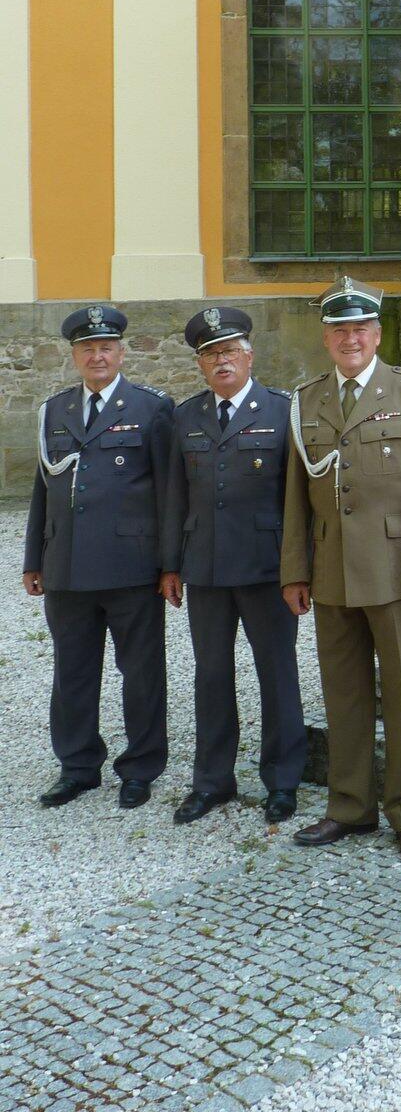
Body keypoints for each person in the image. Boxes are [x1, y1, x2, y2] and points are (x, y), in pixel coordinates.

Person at [280, 277, 401, 861]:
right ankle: (349, 806)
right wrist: (295, 571)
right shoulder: (306, 400)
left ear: (377, 335)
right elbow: (295, 496)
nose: (349, 339)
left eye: (359, 329)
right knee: (344, 694)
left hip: (396, 570)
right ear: (325, 338)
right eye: (339, 330)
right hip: (331, 570)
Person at [23, 305, 173, 809]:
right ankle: (78, 766)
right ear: (74, 356)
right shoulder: (55, 410)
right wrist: (33, 559)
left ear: (121, 353)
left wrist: (169, 564)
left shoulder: (152, 408)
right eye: (87, 349)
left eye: (106, 347)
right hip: (66, 567)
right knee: (73, 673)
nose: (97, 356)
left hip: (132, 567)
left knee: (142, 673)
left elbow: (169, 492)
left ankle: (141, 767)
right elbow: (43, 489)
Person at [161, 307, 306, 827]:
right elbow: (175, 497)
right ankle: (212, 781)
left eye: (229, 351)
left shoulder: (282, 410)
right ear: (200, 365)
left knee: (277, 673)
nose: (221, 361)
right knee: (211, 675)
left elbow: (299, 501)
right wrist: (170, 566)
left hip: (267, 568)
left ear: (249, 356)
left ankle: (282, 781)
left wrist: (299, 570)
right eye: (210, 354)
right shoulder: (186, 416)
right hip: (205, 569)